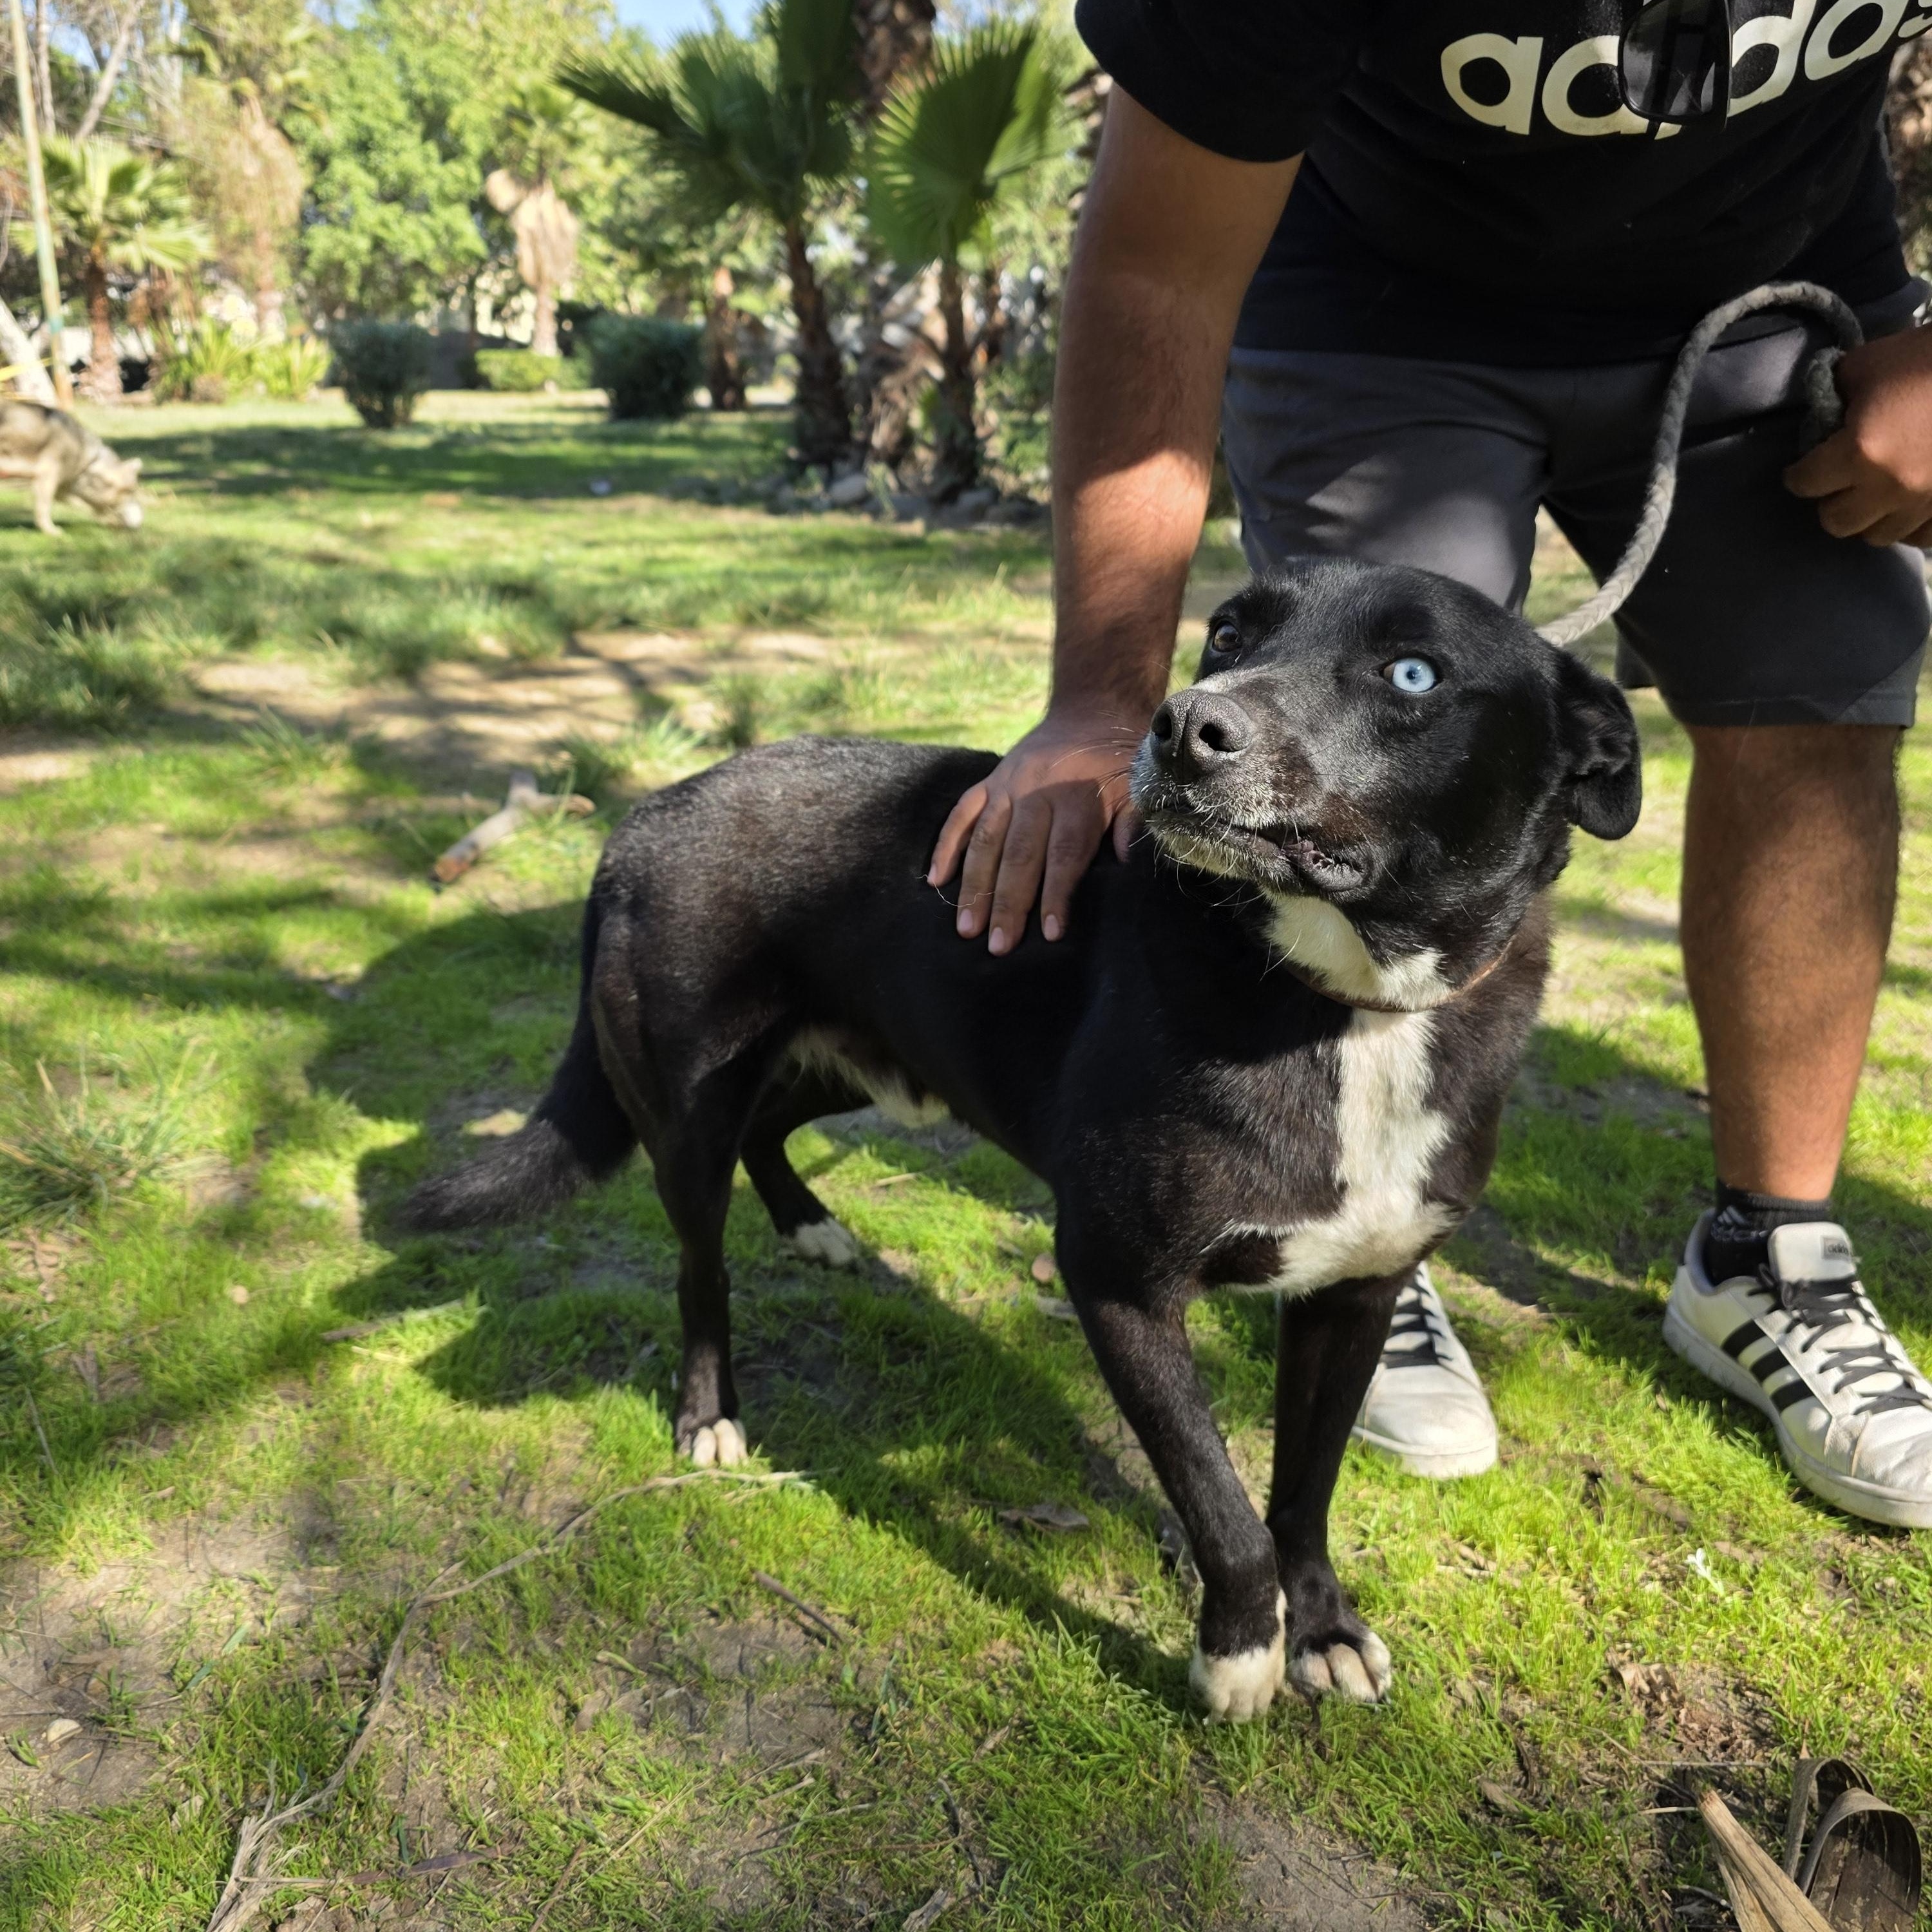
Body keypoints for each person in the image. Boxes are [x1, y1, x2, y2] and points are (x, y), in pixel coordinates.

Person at [927, 0, 1932, 1525]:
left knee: (1819, 701)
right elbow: (1154, 265)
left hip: (1770, 287)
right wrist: (1093, 706)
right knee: (1343, 761)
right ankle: (1352, 1233)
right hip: (1376, 294)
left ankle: (1768, 1260)